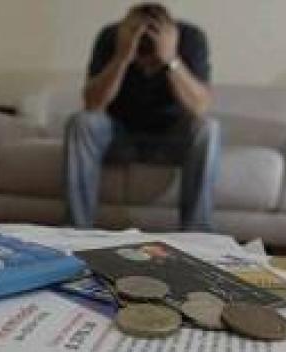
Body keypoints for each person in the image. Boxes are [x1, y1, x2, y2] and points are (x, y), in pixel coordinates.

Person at [64, 3, 221, 231]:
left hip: (170, 139)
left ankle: (197, 232)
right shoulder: (111, 37)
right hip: (117, 136)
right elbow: (92, 104)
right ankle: (76, 230)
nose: (146, 64)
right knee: (81, 122)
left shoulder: (191, 38)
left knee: (208, 127)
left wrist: (170, 60)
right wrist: (121, 58)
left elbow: (200, 107)